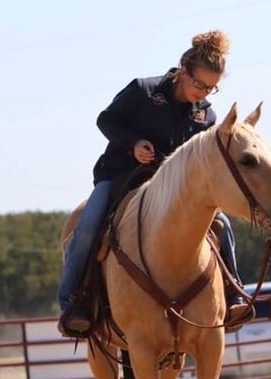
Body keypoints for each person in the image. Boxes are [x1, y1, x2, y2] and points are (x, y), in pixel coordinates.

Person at [57, 29, 255, 337]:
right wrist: (133, 143)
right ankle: (74, 302)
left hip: (175, 194)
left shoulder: (206, 116)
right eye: (199, 83)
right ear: (182, 71)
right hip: (121, 176)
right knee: (88, 225)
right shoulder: (143, 90)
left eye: (211, 88)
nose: (202, 93)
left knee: (223, 224)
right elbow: (106, 120)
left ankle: (234, 295)